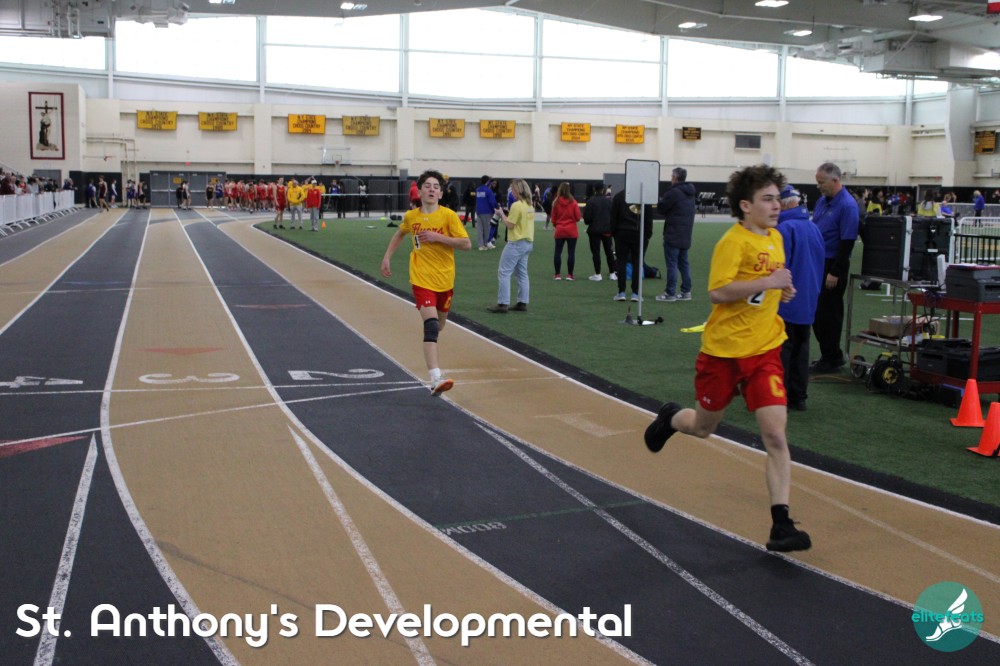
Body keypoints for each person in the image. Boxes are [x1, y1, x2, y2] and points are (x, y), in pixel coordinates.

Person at [643, 163, 811, 553]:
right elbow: (718, 292)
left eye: (777, 198)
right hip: (723, 353)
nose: (776, 205)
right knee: (703, 427)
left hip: (765, 350)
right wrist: (768, 282)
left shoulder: (775, 238)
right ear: (745, 206)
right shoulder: (732, 242)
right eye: (767, 199)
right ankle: (671, 417)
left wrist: (780, 290)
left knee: (775, 435)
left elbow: (770, 282)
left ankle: (781, 524)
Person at [380, 170, 471, 395]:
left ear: (441, 194)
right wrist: (387, 257)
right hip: (421, 278)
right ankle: (435, 377)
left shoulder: (449, 216)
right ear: (419, 192)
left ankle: (430, 348)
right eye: (427, 186)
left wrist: (438, 237)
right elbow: (400, 233)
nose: (432, 189)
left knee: (438, 326)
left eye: (436, 187)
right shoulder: (412, 217)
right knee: (431, 326)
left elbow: (466, 244)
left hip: (445, 279)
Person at [776, 185, 825, 412]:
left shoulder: (784, 229)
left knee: (783, 348)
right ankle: (798, 396)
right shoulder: (813, 227)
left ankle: (780, 395)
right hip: (809, 296)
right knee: (802, 346)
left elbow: (779, 267)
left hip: (787, 298)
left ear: (783, 203)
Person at [809, 162, 859, 374]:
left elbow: (847, 242)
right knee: (817, 312)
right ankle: (828, 354)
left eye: (821, 182)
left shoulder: (847, 206)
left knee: (829, 313)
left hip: (833, 264)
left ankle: (832, 357)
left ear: (835, 180)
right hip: (818, 262)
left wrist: (835, 272)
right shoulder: (822, 201)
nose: (818, 186)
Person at [487, 178, 534, 313]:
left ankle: (503, 303)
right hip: (527, 242)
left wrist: (501, 214)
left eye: (512, 189)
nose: (511, 191)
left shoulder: (516, 205)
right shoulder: (529, 205)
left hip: (516, 243)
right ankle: (522, 302)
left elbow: (510, 225)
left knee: (504, 272)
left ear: (517, 190)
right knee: (522, 273)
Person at [656, 166, 697, 302]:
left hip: (673, 232)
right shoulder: (690, 192)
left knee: (672, 264)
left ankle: (670, 293)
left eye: (671, 176)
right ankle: (686, 291)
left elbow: (661, 208)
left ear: (675, 177)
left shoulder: (673, 192)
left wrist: (660, 200)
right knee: (684, 263)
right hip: (686, 233)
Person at [610, 187, 655, 302]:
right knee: (638, 262)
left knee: (621, 262)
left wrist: (614, 233)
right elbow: (648, 218)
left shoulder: (619, 196)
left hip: (621, 233)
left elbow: (613, 218)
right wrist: (647, 234)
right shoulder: (644, 198)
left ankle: (621, 292)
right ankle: (635, 293)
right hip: (639, 233)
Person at [583, 183, 615, 281]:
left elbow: (587, 219)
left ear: (594, 189)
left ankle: (598, 274)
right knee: (609, 252)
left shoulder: (590, 201)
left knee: (596, 253)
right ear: (603, 189)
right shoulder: (609, 201)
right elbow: (613, 216)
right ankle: (612, 273)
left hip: (594, 230)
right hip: (607, 230)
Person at [550, 182, 581, 280]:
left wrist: (558, 225)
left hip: (559, 230)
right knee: (571, 253)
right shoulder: (574, 202)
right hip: (571, 231)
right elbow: (578, 218)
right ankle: (570, 275)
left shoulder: (555, 202)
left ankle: (557, 274)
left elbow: (553, 219)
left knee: (557, 252)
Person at [474, 175, 500, 250]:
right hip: (487, 211)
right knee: (487, 229)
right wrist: (496, 208)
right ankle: (487, 243)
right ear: (488, 182)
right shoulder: (488, 190)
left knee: (480, 229)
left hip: (479, 211)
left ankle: (481, 245)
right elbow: (492, 202)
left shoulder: (478, 190)